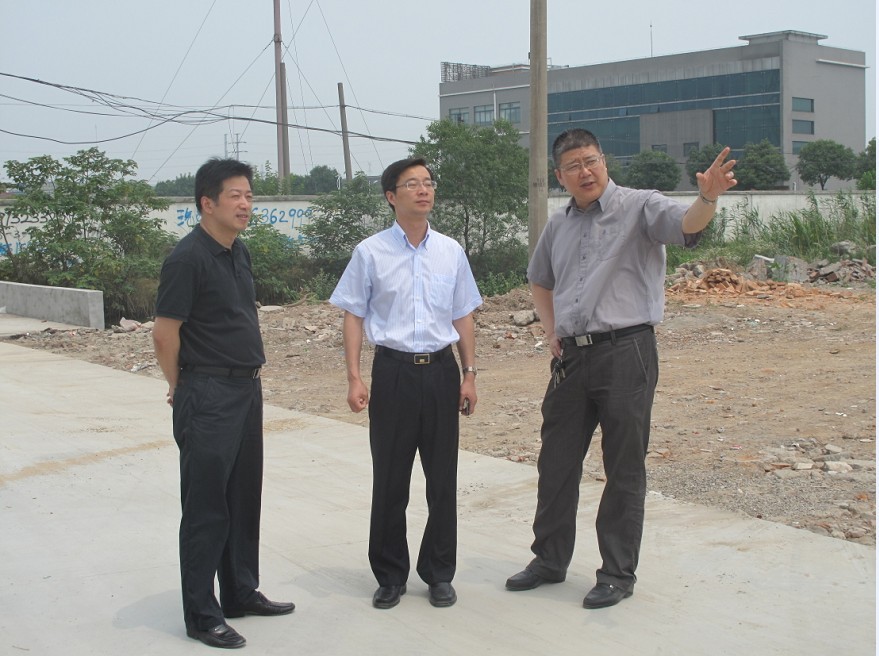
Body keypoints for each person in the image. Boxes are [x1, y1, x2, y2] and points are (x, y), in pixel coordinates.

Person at [505, 129, 737, 609]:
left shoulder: (640, 206)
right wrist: (551, 329)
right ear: (560, 175)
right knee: (556, 462)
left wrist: (708, 198)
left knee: (623, 466)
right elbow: (540, 279)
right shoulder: (558, 224)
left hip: (626, 351)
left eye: (591, 160)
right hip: (571, 357)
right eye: (574, 165)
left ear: (604, 161)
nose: (585, 171)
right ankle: (549, 560)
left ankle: (616, 573)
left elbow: (687, 223)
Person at [153, 158, 294, 649]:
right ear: (206, 203)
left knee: (242, 498)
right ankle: (201, 614)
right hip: (208, 393)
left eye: (249, 196)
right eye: (235, 195)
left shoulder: (238, 251)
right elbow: (164, 334)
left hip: (245, 389)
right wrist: (182, 386)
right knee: (206, 508)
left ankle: (239, 591)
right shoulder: (187, 258)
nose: (245, 204)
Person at [329, 157, 482, 610]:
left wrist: (469, 373)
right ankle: (390, 575)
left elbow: (463, 315)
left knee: (443, 480)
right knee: (391, 479)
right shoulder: (370, 252)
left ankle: (439, 573)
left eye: (428, 182)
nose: (423, 190)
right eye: (412, 184)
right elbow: (353, 314)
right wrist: (355, 377)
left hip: (440, 372)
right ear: (391, 196)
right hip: (393, 372)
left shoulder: (450, 251)